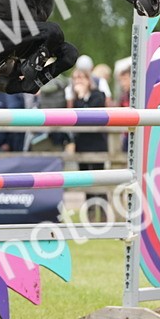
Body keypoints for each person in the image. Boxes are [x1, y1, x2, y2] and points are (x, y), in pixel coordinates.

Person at [62, 67, 110, 221]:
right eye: (76, 78)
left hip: (97, 144)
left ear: (89, 80)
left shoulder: (98, 96)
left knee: (100, 180)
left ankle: (102, 213)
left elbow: (90, 115)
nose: (79, 81)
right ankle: (90, 213)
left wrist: (82, 97)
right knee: (86, 180)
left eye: (81, 78)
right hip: (82, 143)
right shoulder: (74, 101)